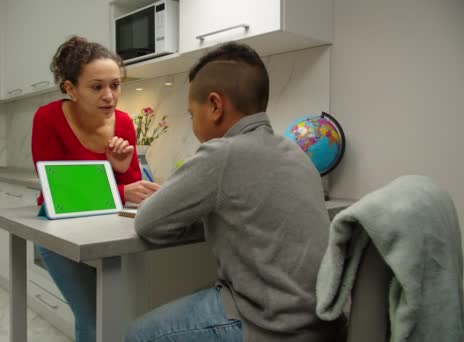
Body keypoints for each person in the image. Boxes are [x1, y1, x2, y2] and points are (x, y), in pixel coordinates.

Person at [126, 42, 345, 342]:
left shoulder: (221, 153)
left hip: (272, 327)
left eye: (191, 114)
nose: (192, 123)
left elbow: (147, 222)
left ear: (215, 106)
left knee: (137, 335)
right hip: (323, 323)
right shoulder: (295, 152)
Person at [31, 36, 160, 342]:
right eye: (97, 86)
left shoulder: (125, 123)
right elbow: (57, 188)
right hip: (58, 227)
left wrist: (120, 167)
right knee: (93, 319)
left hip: (107, 226)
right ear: (70, 89)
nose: (109, 96)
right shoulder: (47, 119)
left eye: (115, 85)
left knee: (116, 311)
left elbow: (131, 189)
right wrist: (119, 186)